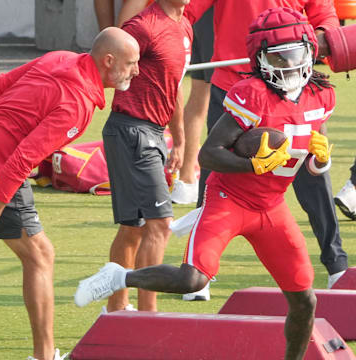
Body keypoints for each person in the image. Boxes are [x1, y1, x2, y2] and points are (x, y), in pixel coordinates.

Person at [75, 8, 335, 359]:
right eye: (279, 56)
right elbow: (208, 155)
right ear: (260, 58)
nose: (289, 64)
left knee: (305, 299)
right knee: (192, 279)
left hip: (273, 207)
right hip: (230, 198)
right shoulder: (252, 94)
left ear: (309, 50)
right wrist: (251, 164)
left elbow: (309, 167)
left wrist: (321, 161)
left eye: (295, 54)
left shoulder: (320, 95)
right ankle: (119, 277)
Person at [0, 27, 139, 360]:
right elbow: (22, 160)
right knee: (40, 256)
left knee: (40, 254)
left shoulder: (60, 57)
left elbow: (1, 85)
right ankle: (44, 357)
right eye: (131, 63)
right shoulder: (77, 105)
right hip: (2, 168)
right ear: (108, 61)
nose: (136, 70)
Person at [184, 0, 349, 288]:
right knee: (216, 176)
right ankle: (199, 268)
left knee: (314, 176)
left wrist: (321, 36)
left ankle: (336, 264)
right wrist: (170, 37)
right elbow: (186, 10)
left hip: (293, 77)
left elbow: (324, 14)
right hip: (234, 83)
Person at [88, 0, 192, 313]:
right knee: (159, 226)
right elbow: (101, 62)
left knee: (133, 228)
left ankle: (117, 307)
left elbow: (172, 85)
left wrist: (180, 140)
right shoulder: (143, 26)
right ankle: (149, 315)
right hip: (132, 132)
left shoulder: (184, 27)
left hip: (153, 133)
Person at [171, 7, 214, 206]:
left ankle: (187, 179)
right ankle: (189, 180)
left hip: (194, 13)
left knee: (201, 96)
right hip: (212, 15)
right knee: (224, 95)